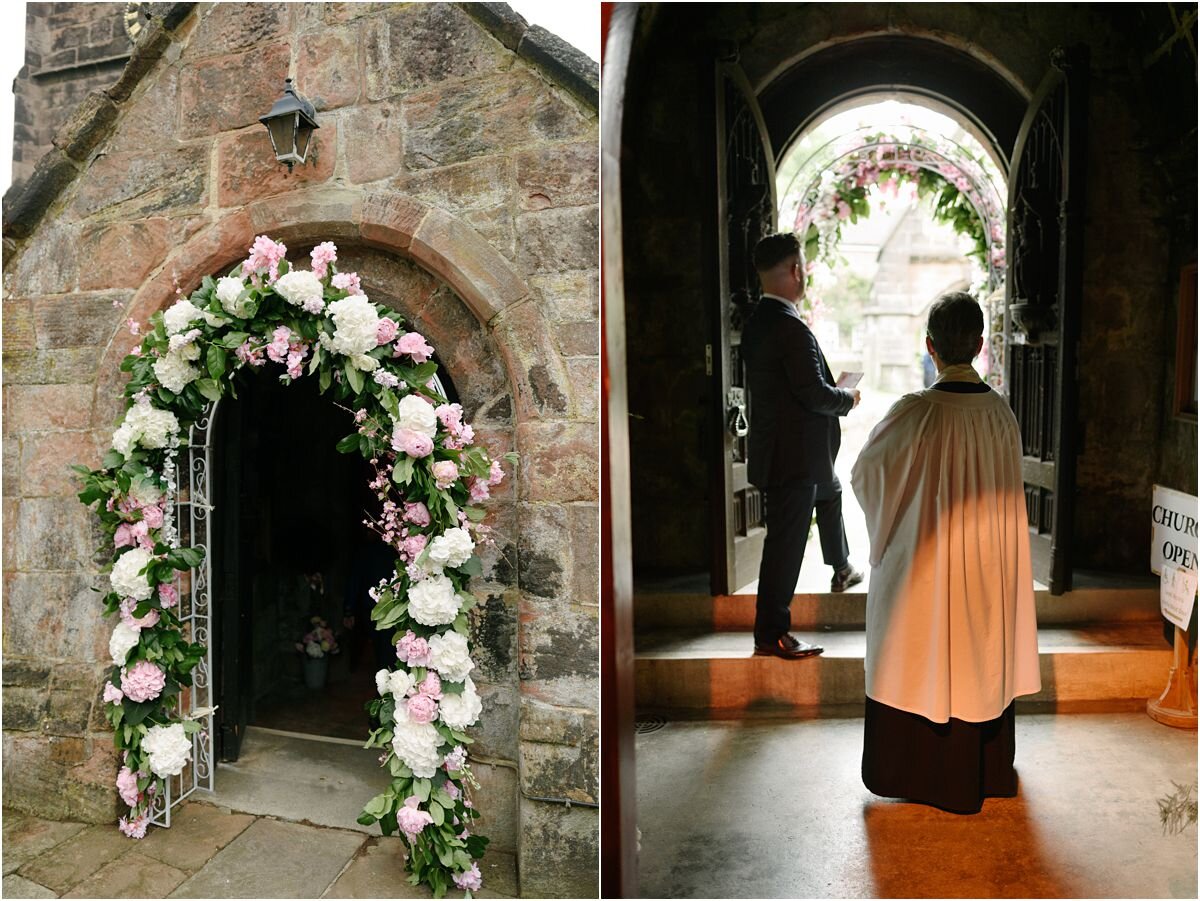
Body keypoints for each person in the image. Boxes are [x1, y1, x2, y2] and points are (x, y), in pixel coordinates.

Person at [850, 291, 1041, 813]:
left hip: (926, 569)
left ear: (930, 346)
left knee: (922, 650)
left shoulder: (913, 413)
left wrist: (892, 526)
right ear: (979, 345)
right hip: (985, 567)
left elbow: (867, 476)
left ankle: (918, 773)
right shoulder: (1001, 414)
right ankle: (983, 770)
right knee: (976, 654)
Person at [742, 232, 864, 660]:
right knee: (785, 548)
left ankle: (839, 567)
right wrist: (847, 398)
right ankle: (772, 633)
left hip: (784, 453)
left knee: (803, 522)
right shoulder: (790, 327)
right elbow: (813, 392)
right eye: (804, 266)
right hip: (793, 459)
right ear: (795, 270)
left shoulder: (758, 322)